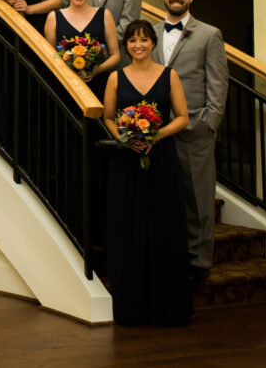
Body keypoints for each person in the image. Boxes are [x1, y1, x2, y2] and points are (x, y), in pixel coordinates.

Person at [103, 19, 192, 326]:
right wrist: (124, 138)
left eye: (143, 40)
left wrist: (156, 136)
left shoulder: (170, 75)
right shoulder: (115, 77)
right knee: (127, 225)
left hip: (161, 158)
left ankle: (166, 304)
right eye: (131, 40)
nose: (137, 45)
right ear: (126, 45)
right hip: (126, 160)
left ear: (152, 43)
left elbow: (182, 117)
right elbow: (108, 117)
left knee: (162, 225)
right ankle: (129, 302)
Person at [154, 0, 229, 284]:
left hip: (195, 127)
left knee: (198, 198)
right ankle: (169, 254)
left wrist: (209, 124)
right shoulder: (151, 33)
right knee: (164, 195)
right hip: (157, 129)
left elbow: (218, 83)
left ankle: (199, 260)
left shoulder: (209, 34)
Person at [44, 0, 119, 101]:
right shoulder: (53, 17)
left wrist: (97, 69)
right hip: (65, 87)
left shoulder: (104, 15)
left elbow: (115, 56)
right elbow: (50, 59)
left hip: (97, 86)